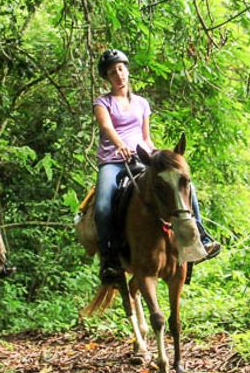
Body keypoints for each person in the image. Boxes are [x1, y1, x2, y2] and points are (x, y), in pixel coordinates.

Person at [92, 48, 221, 285]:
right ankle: (110, 260)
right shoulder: (103, 102)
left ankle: (200, 238)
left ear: (127, 70)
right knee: (102, 207)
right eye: (112, 72)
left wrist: (155, 154)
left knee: (181, 184)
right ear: (107, 77)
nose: (118, 75)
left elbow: (146, 136)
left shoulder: (141, 103)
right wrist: (120, 145)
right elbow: (108, 128)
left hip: (142, 158)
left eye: (121, 69)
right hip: (113, 161)